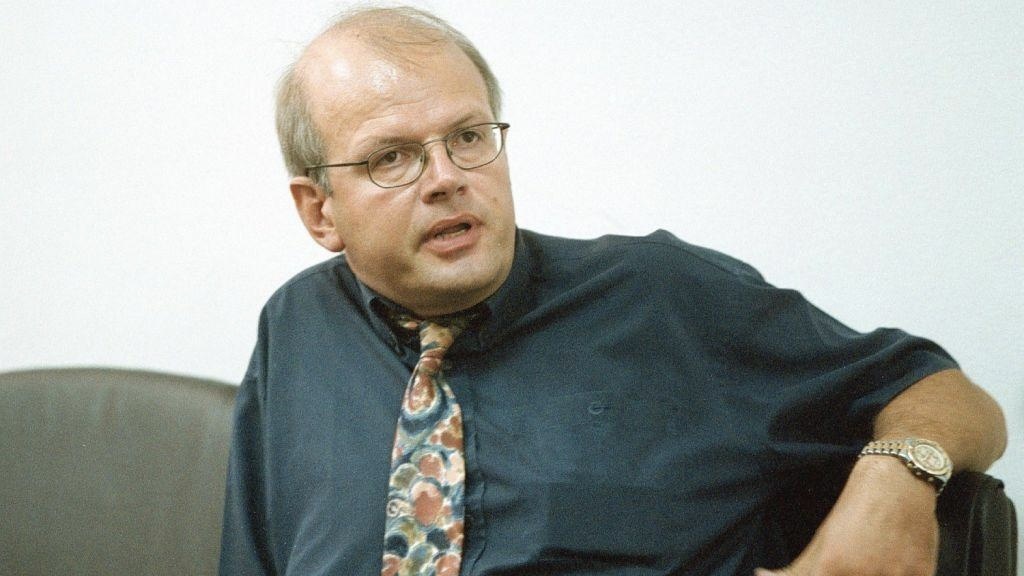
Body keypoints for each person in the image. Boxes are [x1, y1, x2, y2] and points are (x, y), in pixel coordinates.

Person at [219, 6, 1007, 576]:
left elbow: (948, 395)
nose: (447, 178)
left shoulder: (664, 299)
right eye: (392, 157)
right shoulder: (299, 324)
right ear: (320, 211)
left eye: (468, 137)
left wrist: (898, 480)